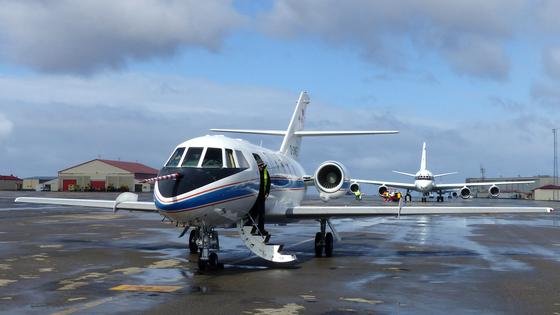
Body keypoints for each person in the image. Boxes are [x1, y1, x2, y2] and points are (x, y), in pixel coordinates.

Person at [252, 160, 270, 236]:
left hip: (262, 195)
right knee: (254, 212)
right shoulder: (256, 173)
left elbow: (268, 183)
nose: (261, 167)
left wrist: (267, 193)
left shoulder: (265, 172)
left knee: (261, 214)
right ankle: (252, 227)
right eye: (260, 166)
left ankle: (261, 230)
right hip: (256, 195)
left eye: (262, 165)